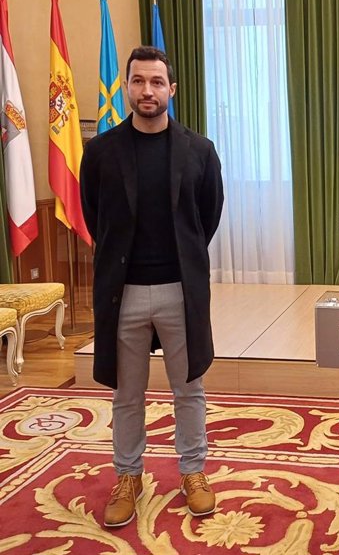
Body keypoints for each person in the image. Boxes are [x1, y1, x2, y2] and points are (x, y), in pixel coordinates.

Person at [80, 46, 224, 528]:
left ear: (171, 90)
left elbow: (207, 216)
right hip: (125, 294)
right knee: (127, 393)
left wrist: (181, 258)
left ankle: (193, 472)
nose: (148, 91)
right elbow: (94, 217)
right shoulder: (100, 151)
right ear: (127, 88)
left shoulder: (199, 149)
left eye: (157, 82)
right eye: (139, 82)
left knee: (190, 388)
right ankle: (128, 476)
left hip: (180, 290)